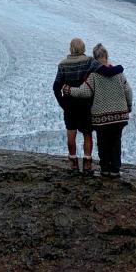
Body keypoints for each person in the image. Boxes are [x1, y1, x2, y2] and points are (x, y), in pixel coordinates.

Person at [63, 43, 132, 177]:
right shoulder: (119, 74)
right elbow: (128, 91)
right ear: (106, 56)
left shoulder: (93, 75)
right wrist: (128, 106)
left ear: (94, 58)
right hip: (120, 116)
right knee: (116, 141)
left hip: (101, 117)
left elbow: (85, 92)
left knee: (103, 142)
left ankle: (105, 168)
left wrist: (68, 90)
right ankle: (115, 169)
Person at [53, 37, 95, 174]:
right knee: (87, 134)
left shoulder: (63, 65)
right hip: (85, 104)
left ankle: (73, 163)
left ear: (71, 48)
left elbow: (56, 87)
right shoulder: (89, 62)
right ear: (83, 48)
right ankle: (87, 163)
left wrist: (63, 103)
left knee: (71, 132)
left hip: (70, 105)